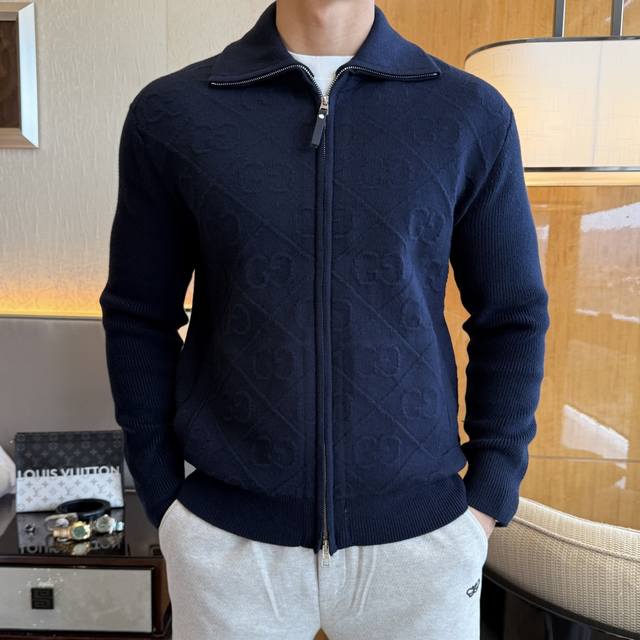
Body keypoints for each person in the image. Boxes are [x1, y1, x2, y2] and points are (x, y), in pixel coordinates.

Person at [99, 1, 550, 638]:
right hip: (228, 545)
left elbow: (512, 314)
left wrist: (489, 497)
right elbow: (138, 315)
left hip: (421, 547)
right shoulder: (174, 113)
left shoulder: (469, 113)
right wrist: (164, 496)